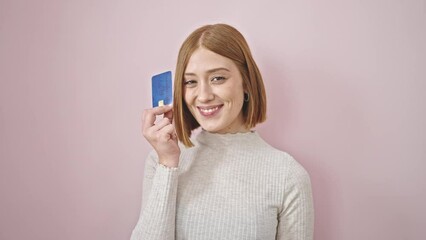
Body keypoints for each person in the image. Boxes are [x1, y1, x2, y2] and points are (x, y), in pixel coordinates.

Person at [131, 23, 314, 240]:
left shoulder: (288, 175)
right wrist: (168, 164)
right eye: (190, 82)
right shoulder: (160, 162)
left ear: (246, 82)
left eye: (217, 78)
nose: (204, 95)